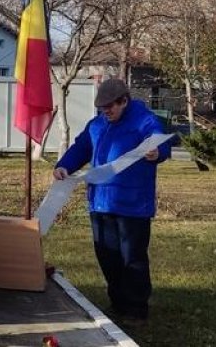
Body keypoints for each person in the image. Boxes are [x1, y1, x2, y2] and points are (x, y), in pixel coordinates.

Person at [53, 78, 171, 321]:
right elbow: (81, 147)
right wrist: (64, 165)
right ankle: (118, 303)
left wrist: (157, 152)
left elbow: (160, 139)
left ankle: (137, 308)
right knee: (107, 256)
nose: (106, 112)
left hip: (133, 205)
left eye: (110, 107)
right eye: (102, 108)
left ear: (124, 101)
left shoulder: (144, 120)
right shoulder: (97, 125)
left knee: (132, 258)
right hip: (100, 202)